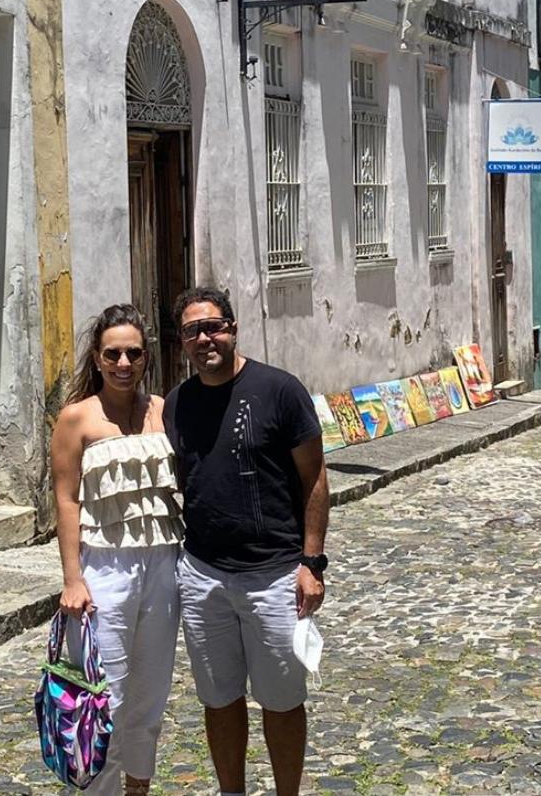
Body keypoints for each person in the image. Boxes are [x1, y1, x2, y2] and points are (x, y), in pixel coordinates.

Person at [163, 286, 330, 796]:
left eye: (213, 326)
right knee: (218, 698)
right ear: (182, 343)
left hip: (275, 575)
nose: (204, 338)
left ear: (233, 328)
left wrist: (312, 562)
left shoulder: (280, 390)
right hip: (203, 574)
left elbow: (315, 478)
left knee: (281, 700)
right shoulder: (176, 404)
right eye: (192, 331)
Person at [51, 304, 183, 796]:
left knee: (150, 693)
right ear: (97, 356)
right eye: (113, 354)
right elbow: (65, 498)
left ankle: (138, 789)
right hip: (103, 565)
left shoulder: (164, 411)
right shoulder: (76, 420)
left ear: (146, 356)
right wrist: (72, 577)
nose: (123, 363)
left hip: (163, 561)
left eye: (133, 353)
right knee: (104, 694)